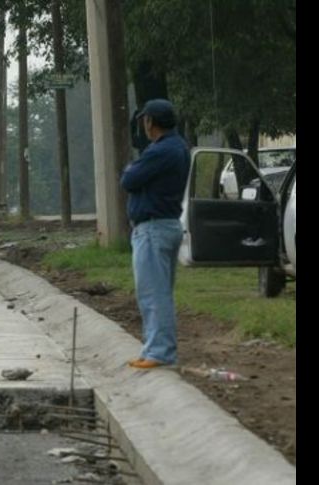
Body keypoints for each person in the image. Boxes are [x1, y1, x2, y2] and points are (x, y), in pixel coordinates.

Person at [120, 99, 190, 370]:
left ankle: (160, 352)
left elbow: (128, 180)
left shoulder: (161, 151)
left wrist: (131, 170)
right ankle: (153, 348)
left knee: (153, 293)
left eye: (144, 121)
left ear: (150, 121)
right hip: (166, 225)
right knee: (158, 292)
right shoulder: (178, 147)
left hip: (153, 228)